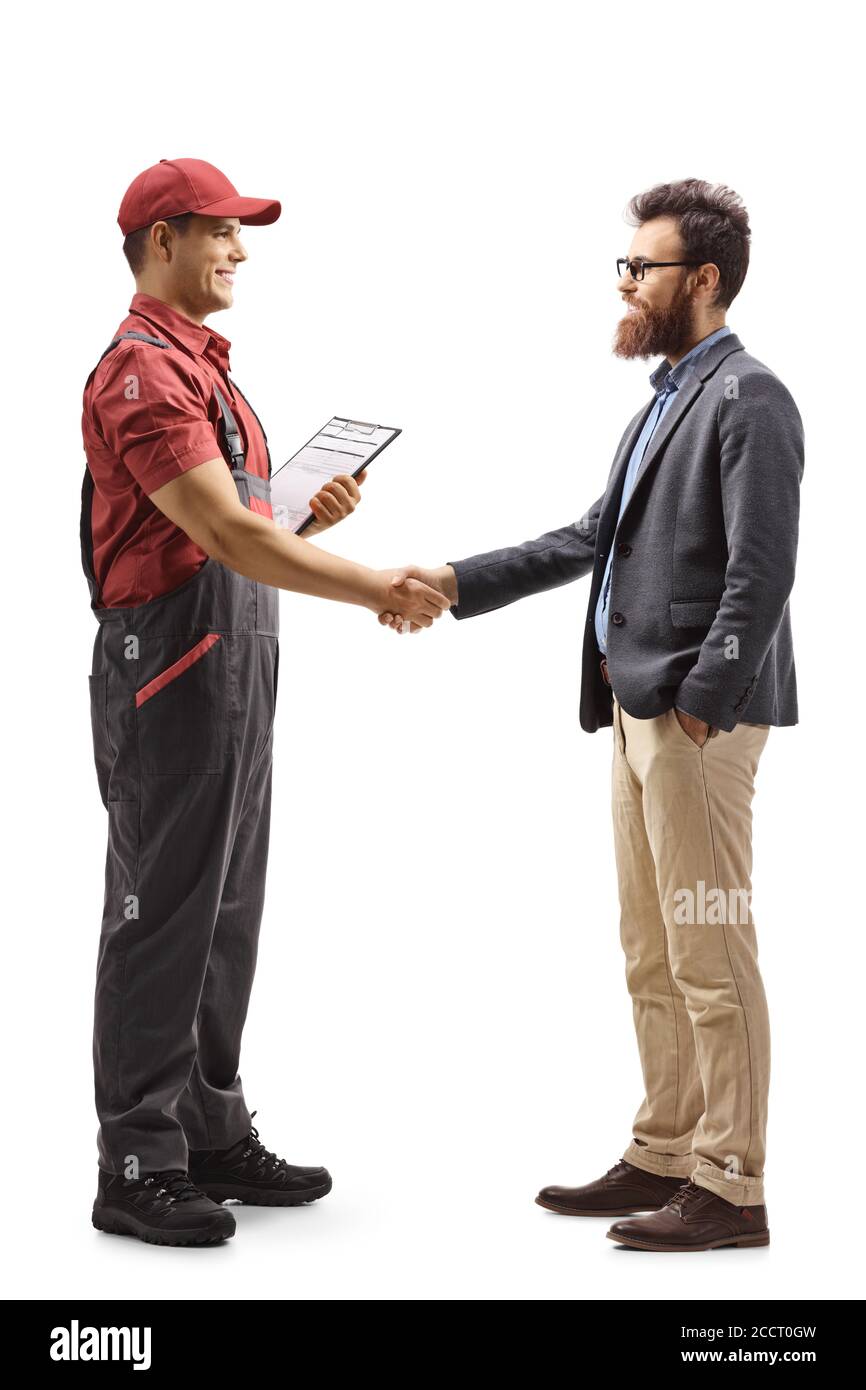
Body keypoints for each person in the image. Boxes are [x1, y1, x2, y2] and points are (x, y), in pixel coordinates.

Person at [380, 178, 804, 1253]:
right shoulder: (662, 398)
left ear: (698, 280)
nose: (622, 282)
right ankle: (664, 1149)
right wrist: (453, 577)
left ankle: (732, 1186)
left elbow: (759, 574)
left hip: (691, 723)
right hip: (632, 714)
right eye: (622, 265)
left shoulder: (750, 398)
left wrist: (701, 705)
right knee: (649, 947)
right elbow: (587, 538)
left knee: (709, 947)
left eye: (639, 267)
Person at [82, 158, 449, 1247]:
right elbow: (231, 538)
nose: (238, 250)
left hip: (235, 656)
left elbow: (248, 523)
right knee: (163, 908)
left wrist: (309, 521)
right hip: (170, 664)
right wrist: (376, 581)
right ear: (160, 242)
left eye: (241, 233)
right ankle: (135, 1159)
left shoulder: (213, 374)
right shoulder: (141, 374)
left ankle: (206, 1129)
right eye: (218, 232)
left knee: (227, 907)